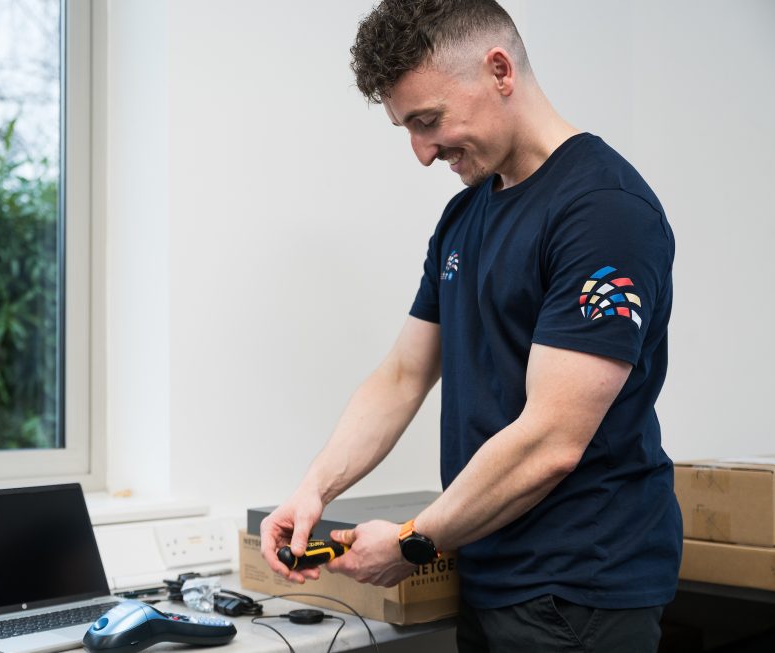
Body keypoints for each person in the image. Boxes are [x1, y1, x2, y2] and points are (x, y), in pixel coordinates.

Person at [259, 1, 681, 651]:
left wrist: (412, 541)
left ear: (500, 71)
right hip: (488, 571)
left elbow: (551, 440)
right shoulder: (464, 217)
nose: (422, 152)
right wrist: (311, 490)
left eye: (428, 121)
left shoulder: (603, 212)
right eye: (407, 128)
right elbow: (402, 376)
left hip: (578, 592)